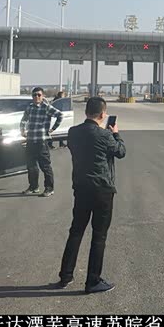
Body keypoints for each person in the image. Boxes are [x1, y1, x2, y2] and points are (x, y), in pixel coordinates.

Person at [54, 97, 126, 293]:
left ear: (86, 112)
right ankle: (92, 281)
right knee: (99, 236)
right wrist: (116, 134)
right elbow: (121, 152)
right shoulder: (105, 135)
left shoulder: (73, 132)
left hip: (81, 188)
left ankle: (65, 276)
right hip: (102, 190)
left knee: (76, 232)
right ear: (103, 114)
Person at [20, 87, 63, 197]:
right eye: (34, 95)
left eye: (39, 95)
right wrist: (22, 129)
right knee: (31, 166)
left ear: (43, 96)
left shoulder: (46, 107)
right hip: (31, 140)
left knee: (45, 166)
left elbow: (60, 115)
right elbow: (24, 119)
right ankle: (33, 187)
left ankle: (49, 188)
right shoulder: (30, 107)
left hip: (41, 141)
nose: (36, 97)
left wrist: (53, 129)